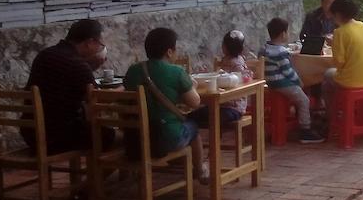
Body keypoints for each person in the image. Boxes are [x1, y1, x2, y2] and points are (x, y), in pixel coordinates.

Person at [123, 28, 208, 184]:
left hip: (133, 141)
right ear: (169, 52)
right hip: (164, 139)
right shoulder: (176, 72)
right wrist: (193, 85)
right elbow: (195, 102)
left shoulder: (133, 70)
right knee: (193, 128)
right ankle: (199, 170)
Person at [25, 18, 116, 154]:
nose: (100, 49)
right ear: (90, 43)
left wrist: (89, 67)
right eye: (101, 45)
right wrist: (125, 88)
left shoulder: (45, 55)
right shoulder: (77, 64)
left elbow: (70, 82)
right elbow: (97, 100)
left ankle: (97, 176)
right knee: (122, 138)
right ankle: (98, 176)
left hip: (31, 134)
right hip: (58, 136)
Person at [263, 17, 322, 143]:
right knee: (304, 100)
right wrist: (298, 81)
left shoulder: (265, 49)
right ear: (283, 34)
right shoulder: (281, 52)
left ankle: (297, 119)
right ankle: (305, 129)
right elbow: (288, 71)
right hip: (281, 83)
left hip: (270, 82)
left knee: (300, 96)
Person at [321, 0, 363, 115]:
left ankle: (332, 116)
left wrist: (333, 44)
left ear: (338, 14)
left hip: (349, 81)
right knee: (331, 75)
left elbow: (339, 63)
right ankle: (361, 116)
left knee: (327, 75)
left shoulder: (340, 32)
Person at [190, 29, 252, 130]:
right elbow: (219, 76)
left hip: (234, 108)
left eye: (223, 44)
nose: (222, 46)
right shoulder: (224, 60)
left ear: (228, 47)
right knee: (193, 115)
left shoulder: (238, 63)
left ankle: (216, 143)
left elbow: (241, 80)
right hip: (219, 104)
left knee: (215, 118)